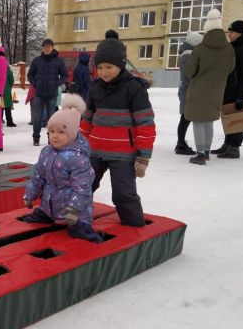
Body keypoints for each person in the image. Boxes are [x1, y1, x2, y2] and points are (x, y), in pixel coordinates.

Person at [80, 38, 155, 227]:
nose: (104, 72)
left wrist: (143, 157)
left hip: (123, 154)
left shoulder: (134, 87)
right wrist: (80, 146)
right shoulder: (95, 87)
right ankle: (72, 219)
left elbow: (145, 123)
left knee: (123, 193)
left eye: (109, 67)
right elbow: (87, 119)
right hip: (95, 151)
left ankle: (134, 228)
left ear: (120, 65)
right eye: (100, 67)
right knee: (82, 186)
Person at [22, 95, 103, 243]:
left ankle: (93, 240)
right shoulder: (46, 152)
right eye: (52, 132)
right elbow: (38, 175)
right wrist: (30, 195)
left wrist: (73, 211)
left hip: (74, 209)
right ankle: (47, 213)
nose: (55, 136)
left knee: (78, 231)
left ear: (72, 134)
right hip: (49, 205)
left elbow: (83, 188)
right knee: (36, 218)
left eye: (61, 132)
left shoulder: (78, 158)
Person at [183, 9, 236, 165]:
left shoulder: (199, 49)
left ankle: (199, 154)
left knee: (198, 121)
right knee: (209, 122)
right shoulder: (229, 49)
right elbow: (231, 68)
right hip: (217, 90)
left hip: (198, 91)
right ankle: (206, 152)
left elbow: (189, 71)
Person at [212, 19, 243, 159]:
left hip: (238, 90)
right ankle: (227, 144)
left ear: (239, 33)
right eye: (228, 31)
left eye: (231, 32)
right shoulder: (234, 47)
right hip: (227, 89)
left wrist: (241, 96)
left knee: (237, 118)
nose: (229, 34)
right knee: (227, 117)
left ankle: (234, 148)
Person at [27, 38, 67, 146]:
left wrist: (56, 83)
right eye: (45, 47)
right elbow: (30, 74)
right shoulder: (37, 60)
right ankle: (36, 138)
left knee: (51, 119)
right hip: (39, 94)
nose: (47, 49)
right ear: (43, 48)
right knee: (37, 117)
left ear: (52, 47)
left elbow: (65, 75)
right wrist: (35, 83)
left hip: (52, 94)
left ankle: (51, 139)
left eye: (49, 47)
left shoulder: (58, 61)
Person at [175, 30, 204, 155]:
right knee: (185, 118)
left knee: (186, 118)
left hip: (188, 90)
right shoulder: (188, 56)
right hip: (188, 91)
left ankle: (181, 143)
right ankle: (180, 144)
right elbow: (187, 77)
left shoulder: (189, 54)